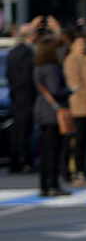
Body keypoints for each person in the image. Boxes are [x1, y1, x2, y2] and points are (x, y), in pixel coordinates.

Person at [32, 33, 70, 197]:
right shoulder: (52, 68)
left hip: (42, 110)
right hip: (53, 112)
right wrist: (70, 90)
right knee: (54, 151)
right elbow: (56, 90)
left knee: (45, 151)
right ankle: (53, 184)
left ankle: (44, 185)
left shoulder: (38, 67)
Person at [63, 33, 86, 187]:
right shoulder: (72, 60)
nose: (82, 46)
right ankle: (78, 169)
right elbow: (75, 83)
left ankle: (85, 169)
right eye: (79, 43)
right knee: (79, 140)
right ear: (72, 45)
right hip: (79, 105)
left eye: (84, 43)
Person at [7, 21, 35, 175]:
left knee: (18, 130)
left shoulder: (13, 52)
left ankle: (17, 159)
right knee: (24, 131)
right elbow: (27, 77)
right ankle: (22, 160)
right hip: (24, 96)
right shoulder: (26, 52)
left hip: (16, 94)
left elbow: (10, 75)